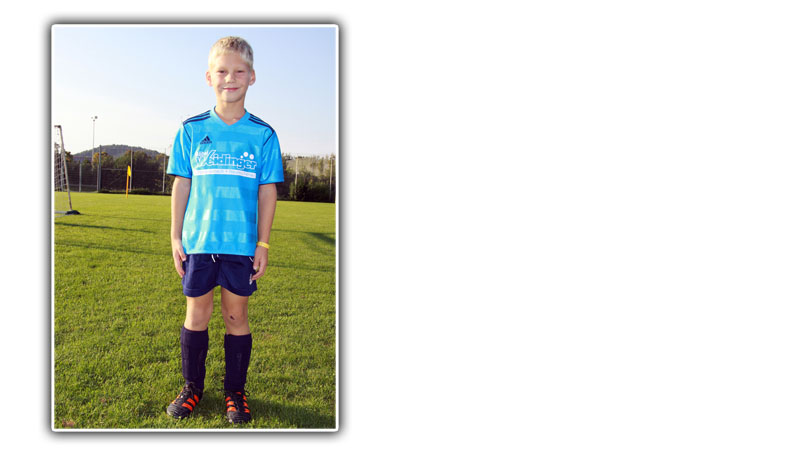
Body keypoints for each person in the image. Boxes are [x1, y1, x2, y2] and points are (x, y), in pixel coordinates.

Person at [165, 36, 284, 424]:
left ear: (252, 76)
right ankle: (192, 388)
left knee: (236, 317)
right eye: (221, 71)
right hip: (199, 242)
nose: (229, 78)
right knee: (196, 314)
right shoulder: (191, 129)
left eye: (238, 71)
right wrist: (176, 236)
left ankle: (235, 391)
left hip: (241, 245)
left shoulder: (263, 135)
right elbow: (182, 183)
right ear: (208, 77)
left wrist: (263, 243)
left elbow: (268, 191)